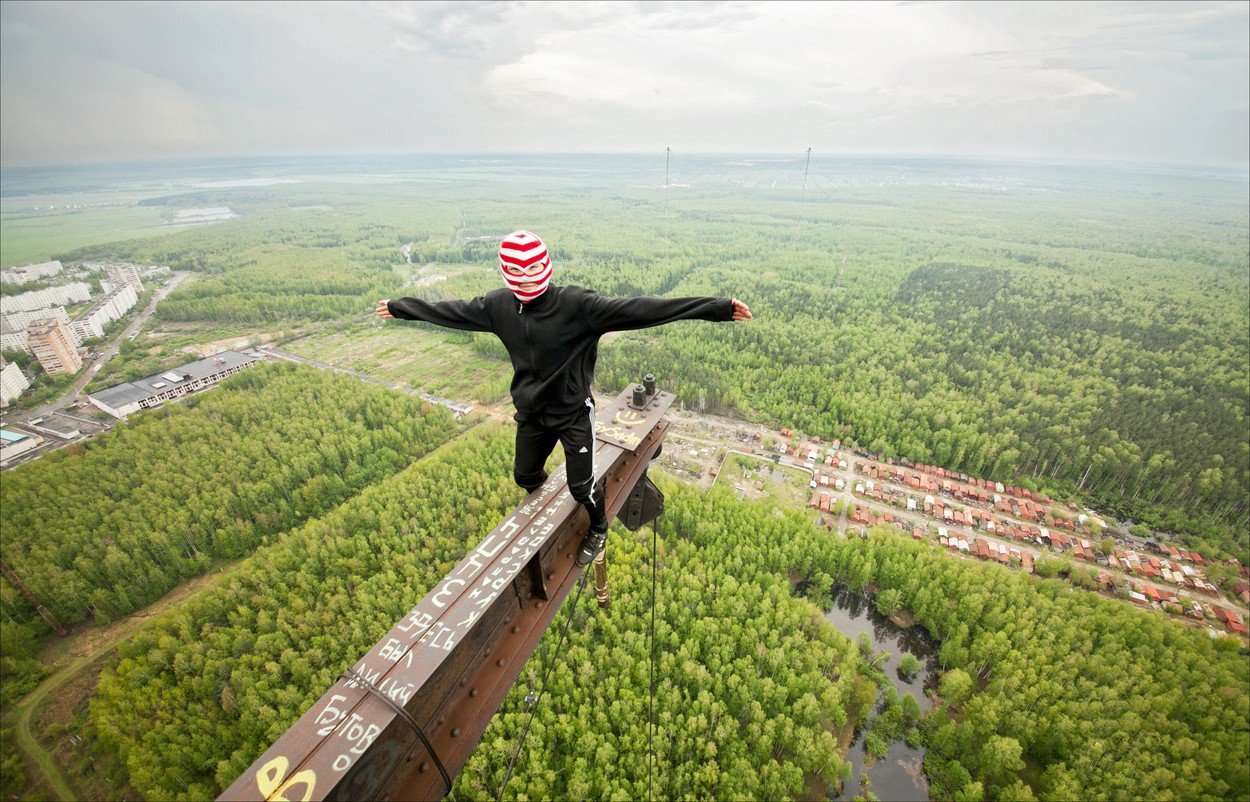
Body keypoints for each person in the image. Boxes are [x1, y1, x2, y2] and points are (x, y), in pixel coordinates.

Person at [377, 229, 752, 565]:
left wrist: (716, 308)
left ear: (547, 267)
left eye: (532, 270)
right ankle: (546, 507)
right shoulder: (498, 307)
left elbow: (643, 308)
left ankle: (599, 527)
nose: (526, 279)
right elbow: (448, 312)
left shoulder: (578, 307)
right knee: (525, 475)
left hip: (573, 413)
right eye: (518, 273)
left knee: (581, 487)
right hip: (531, 413)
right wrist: (400, 307)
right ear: (507, 275)